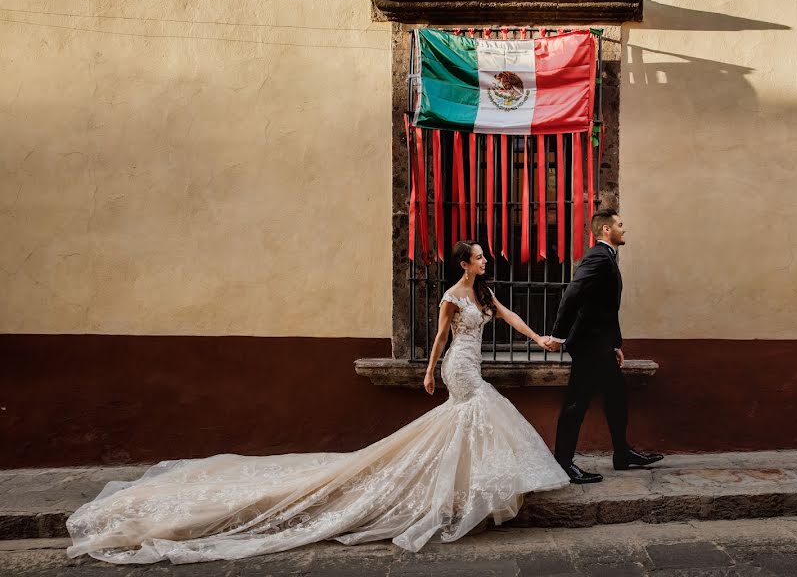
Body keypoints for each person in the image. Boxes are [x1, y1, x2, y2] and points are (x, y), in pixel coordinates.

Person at [66, 240, 569, 565]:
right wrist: (431, 371)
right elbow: (439, 338)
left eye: (483, 257)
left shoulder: (483, 293)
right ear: (465, 262)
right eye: (479, 257)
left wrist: (541, 339)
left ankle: (468, 487)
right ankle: (467, 490)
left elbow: (509, 318)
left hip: (473, 365)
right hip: (460, 367)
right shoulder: (452, 297)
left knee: (472, 422)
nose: (486, 261)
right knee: (474, 416)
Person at [547, 210, 664, 484]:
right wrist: (559, 336)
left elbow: (604, 309)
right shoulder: (598, 257)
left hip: (601, 345)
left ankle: (622, 454)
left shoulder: (606, 257)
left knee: (617, 399)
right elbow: (573, 294)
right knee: (576, 404)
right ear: (606, 230)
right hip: (588, 347)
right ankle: (563, 463)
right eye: (620, 225)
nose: (625, 229)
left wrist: (614, 344)